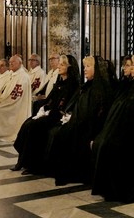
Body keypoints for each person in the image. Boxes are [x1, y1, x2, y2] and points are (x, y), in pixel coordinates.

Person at [91, 52, 134, 205]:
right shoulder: (133, 84)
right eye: (132, 64)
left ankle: (123, 190)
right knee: (105, 145)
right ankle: (111, 189)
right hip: (129, 131)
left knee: (113, 147)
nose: (132, 67)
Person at [47, 55, 118, 186]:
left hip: (90, 127)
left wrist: (76, 120)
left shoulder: (100, 89)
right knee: (57, 132)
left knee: (62, 134)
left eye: (88, 66)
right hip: (78, 121)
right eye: (84, 66)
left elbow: (95, 114)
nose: (85, 69)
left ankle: (70, 172)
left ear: (97, 69)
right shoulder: (86, 86)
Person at [10, 54, 81, 175]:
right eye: (59, 64)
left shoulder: (73, 85)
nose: (59, 66)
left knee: (34, 127)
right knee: (28, 123)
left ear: (70, 67)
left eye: (62, 64)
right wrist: (44, 108)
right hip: (51, 113)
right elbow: (50, 99)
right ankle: (24, 161)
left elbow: (67, 106)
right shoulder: (59, 82)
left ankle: (33, 165)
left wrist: (49, 112)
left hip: (60, 116)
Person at [0, 55, 32, 141]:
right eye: (10, 62)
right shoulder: (11, 74)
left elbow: (16, 96)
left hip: (17, 105)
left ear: (20, 63)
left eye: (13, 62)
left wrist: (3, 102)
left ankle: (4, 135)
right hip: (7, 100)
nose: (11, 63)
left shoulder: (23, 76)